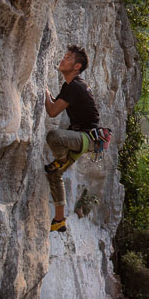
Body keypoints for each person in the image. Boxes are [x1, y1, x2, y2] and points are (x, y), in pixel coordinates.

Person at [43, 45, 100, 232]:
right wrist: (49, 95)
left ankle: (61, 160)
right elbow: (55, 104)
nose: (63, 59)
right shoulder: (71, 86)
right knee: (54, 174)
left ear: (77, 66)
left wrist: (44, 90)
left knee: (54, 136)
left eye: (68, 58)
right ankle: (59, 220)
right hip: (84, 138)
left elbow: (52, 111)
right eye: (64, 56)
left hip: (86, 138)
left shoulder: (75, 86)